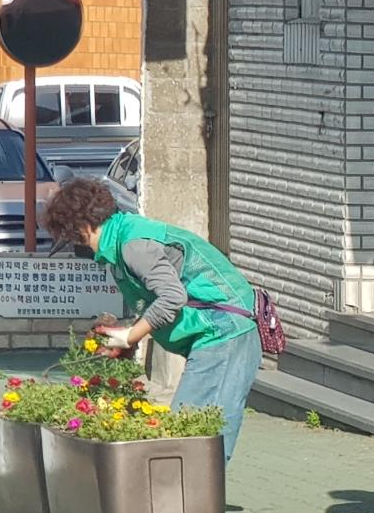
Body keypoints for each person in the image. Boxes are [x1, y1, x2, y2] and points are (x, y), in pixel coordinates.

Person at [42, 177, 266, 461]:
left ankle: (187, 502)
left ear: (85, 227)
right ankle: (188, 500)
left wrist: (131, 335)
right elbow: (153, 301)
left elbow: (173, 297)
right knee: (195, 436)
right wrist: (128, 340)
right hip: (213, 331)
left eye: (75, 239)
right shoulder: (121, 239)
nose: (79, 248)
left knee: (191, 435)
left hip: (226, 331)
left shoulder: (133, 244)